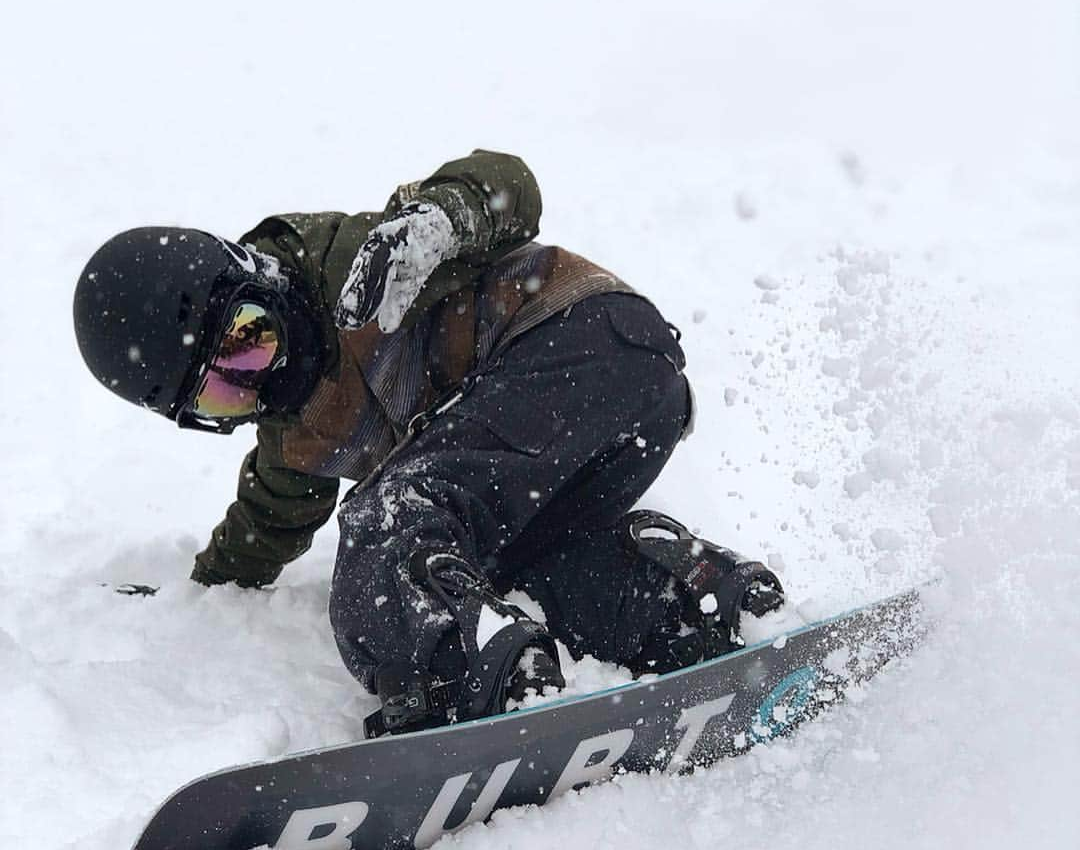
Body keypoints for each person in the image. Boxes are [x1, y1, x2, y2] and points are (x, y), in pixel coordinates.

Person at [73, 150, 782, 736]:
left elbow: (506, 186)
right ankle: (685, 601)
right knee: (499, 566)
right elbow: (261, 532)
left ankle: (457, 674)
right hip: (618, 421)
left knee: (389, 519)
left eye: (250, 338)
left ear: (257, 277)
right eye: (222, 393)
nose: (257, 379)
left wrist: (435, 223)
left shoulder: (358, 265)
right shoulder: (292, 440)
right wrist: (197, 597)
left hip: (575, 341)